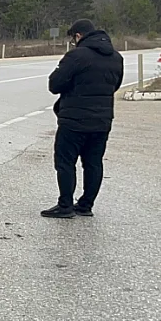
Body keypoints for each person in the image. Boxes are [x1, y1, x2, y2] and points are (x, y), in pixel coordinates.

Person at [41, 19, 123, 219]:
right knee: (94, 162)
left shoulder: (76, 56)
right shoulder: (116, 57)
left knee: (65, 162)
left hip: (74, 120)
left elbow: (55, 84)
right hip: (102, 120)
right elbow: (116, 85)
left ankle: (65, 205)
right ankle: (86, 205)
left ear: (78, 36)